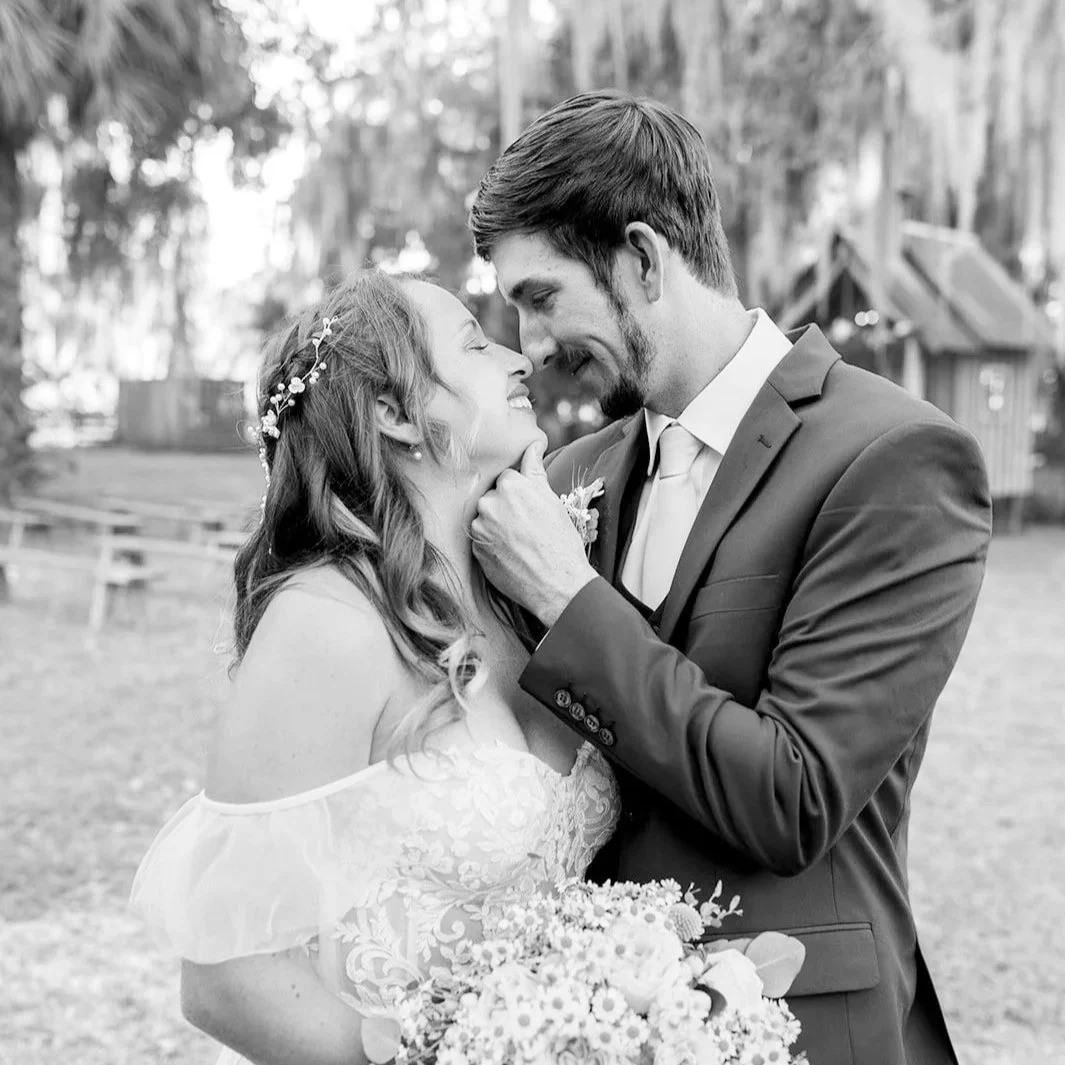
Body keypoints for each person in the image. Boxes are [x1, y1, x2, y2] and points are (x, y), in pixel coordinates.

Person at [467, 90, 992, 1065]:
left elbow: (793, 796)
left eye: (541, 299)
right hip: (585, 1018)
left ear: (641, 258)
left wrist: (566, 602)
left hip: (800, 1023)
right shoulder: (573, 480)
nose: (532, 346)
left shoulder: (895, 459)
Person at [129, 271, 620, 1065]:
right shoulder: (326, 624)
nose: (519, 357)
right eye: (473, 340)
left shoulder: (527, 600)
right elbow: (222, 977)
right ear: (394, 413)